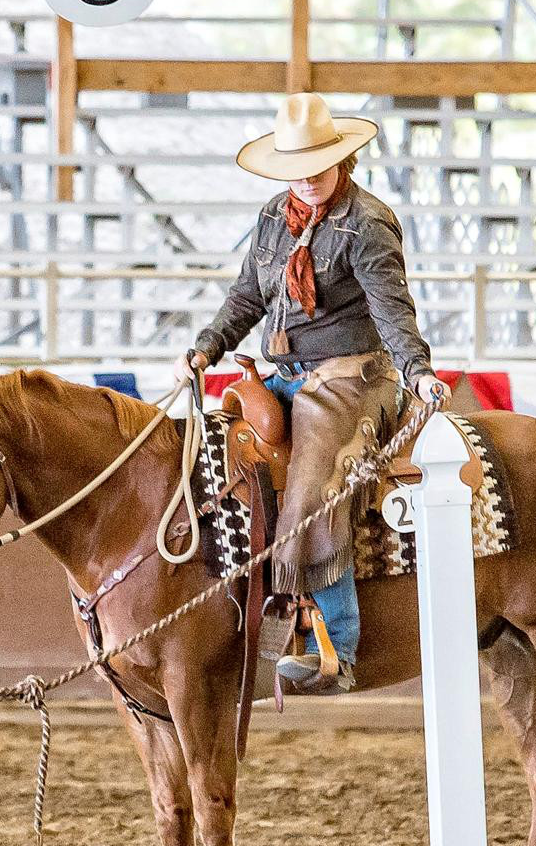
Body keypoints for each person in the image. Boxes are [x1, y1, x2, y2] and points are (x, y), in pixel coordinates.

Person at [175, 92, 444, 694]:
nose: (308, 177)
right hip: (281, 374)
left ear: (340, 160)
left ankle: (337, 648)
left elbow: (391, 309)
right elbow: (247, 294)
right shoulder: (275, 215)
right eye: (296, 166)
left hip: (352, 375)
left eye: (318, 164)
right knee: (216, 458)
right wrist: (208, 347)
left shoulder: (367, 222)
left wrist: (417, 369)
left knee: (313, 485)